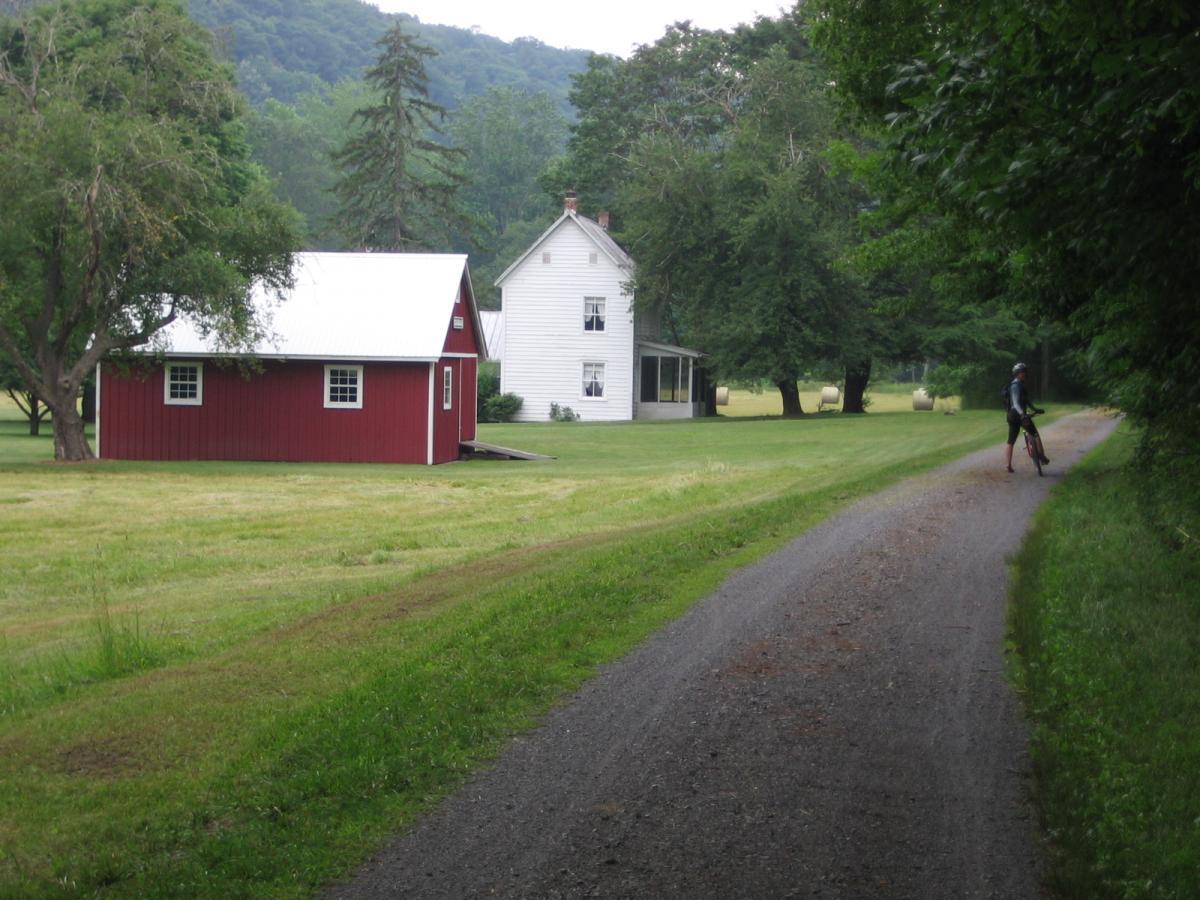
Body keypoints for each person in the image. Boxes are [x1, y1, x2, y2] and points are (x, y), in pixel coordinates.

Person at [1005, 362, 1049, 473]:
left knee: (1011, 441)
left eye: (1025, 371)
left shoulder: (1020, 385)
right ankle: (1042, 458)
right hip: (1017, 415)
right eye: (1023, 372)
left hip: (1013, 416)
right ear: (1018, 374)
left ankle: (1008, 465)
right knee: (1034, 434)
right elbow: (1015, 403)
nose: (1025, 373)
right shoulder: (1016, 385)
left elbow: (1026, 401)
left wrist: (1035, 409)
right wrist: (1022, 415)